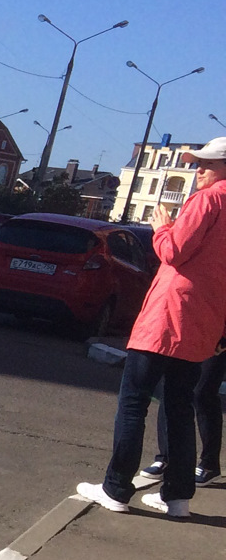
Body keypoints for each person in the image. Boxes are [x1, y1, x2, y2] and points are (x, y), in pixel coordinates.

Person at [79, 136, 226, 519]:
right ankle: (178, 498)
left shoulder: (209, 200)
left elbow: (174, 251)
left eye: (206, 165)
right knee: (179, 408)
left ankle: (115, 488)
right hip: (204, 324)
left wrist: (162, 228)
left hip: (168, 317)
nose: (198, 171)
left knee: (134, 403)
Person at [144, 343, 226, 485]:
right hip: (187, 333)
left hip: (217, 333)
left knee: (203, 393)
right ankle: (165, 457)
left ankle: (209, 463)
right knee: (170, 387)